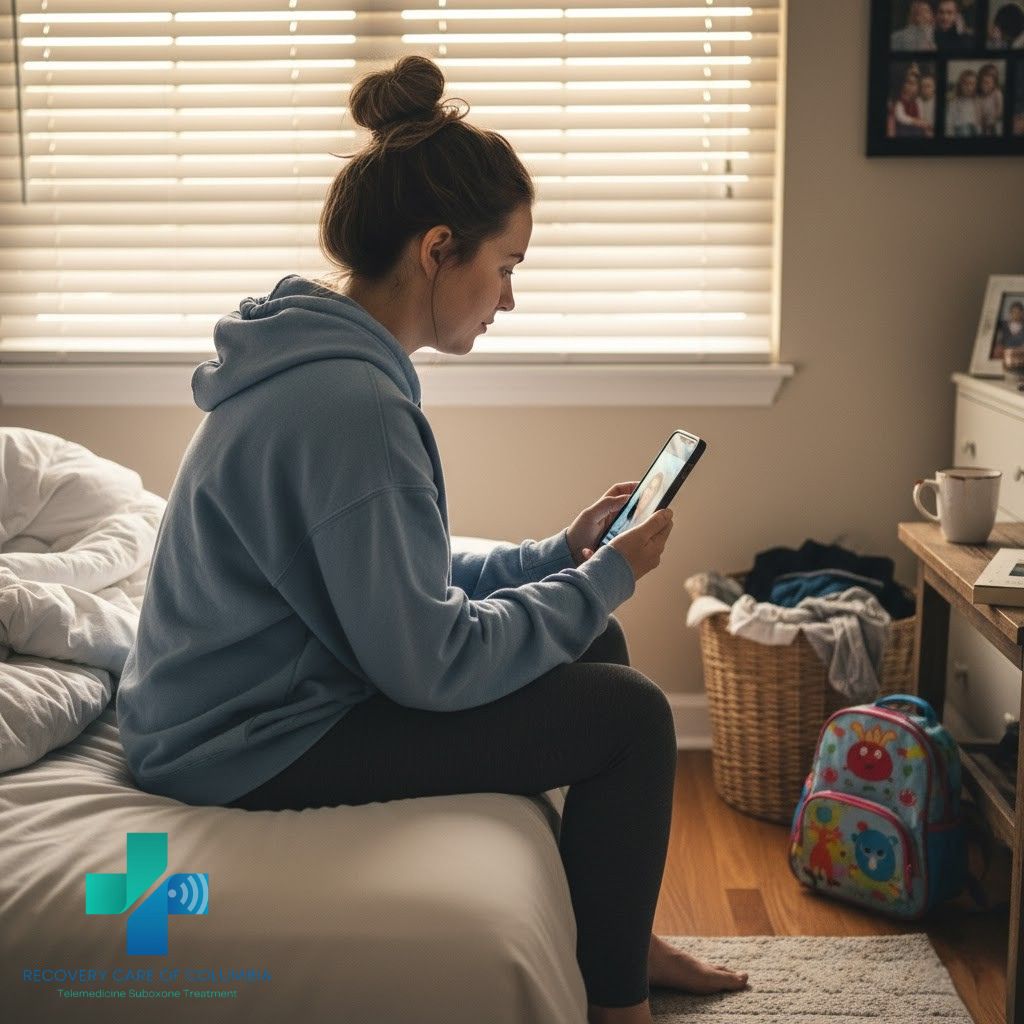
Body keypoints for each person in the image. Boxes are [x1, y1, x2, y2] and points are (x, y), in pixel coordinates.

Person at [114, 54, 747, 1024]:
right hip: (240, 740)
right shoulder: (353, 406)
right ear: (439, 248)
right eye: (506, 267)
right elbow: (430, 661)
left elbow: (393, 573)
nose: (508, 299)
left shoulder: (320, 364)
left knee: (594, 643)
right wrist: (605, 578)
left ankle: (613, 937)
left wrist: (556, 558)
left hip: (239, 699)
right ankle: (614, 1004)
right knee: (631, 715)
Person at [946, 68, 982, 136]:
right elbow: (949, 122)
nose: (969, 87)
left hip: (973, 130)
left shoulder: (977, 101)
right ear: (960, 84)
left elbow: (979, 122)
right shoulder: (955, 101)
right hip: (960, 130)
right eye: (965, 84)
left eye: (972, 84)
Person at [977, 63, 1005, 135]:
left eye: (987, 83)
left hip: (994, 122)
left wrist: (993, 118)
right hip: (982, 123)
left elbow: (1000, 109)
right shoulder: (979, 95)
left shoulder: (997, 93)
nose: (984, 85)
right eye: (981, 82)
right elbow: (977, 108)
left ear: (994, 83)